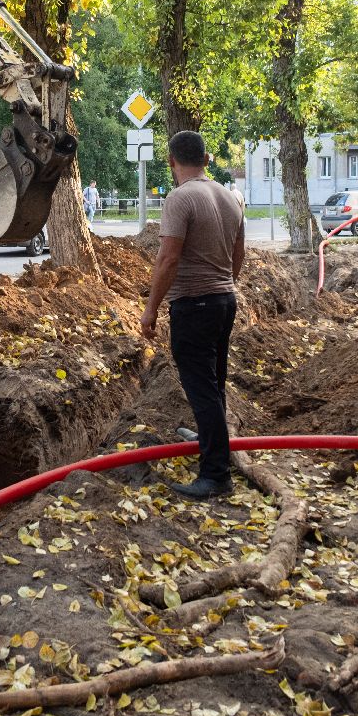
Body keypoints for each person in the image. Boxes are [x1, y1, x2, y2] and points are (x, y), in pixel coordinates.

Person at [139, 131, 245, 500]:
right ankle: (209, 436)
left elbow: (168, 258)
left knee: (200, 386)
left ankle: (216, 474)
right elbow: (239, 254)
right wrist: (224, 284)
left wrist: (150, 309)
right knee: (214, 381)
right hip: (224, 300)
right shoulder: (230, 197)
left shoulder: (180, 198)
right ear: (207, 159)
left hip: (194, 304)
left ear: (172, 161)